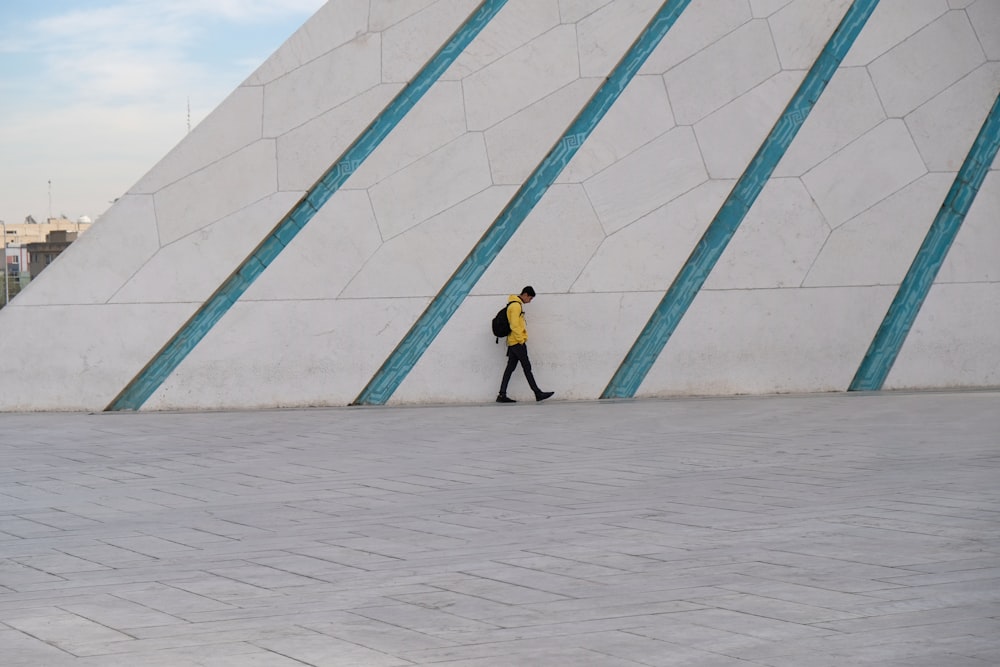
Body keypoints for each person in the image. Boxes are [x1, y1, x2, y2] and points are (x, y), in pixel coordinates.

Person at [497, 286, 555, 403]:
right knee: (527, 367)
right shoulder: (515, 306)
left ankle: (502, 395)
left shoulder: (515, 305)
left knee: (510, 369)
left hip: (513, 342)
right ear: (525, 294)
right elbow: (514, 325)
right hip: (517, 342)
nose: (530, 301)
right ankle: (537, 393)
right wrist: (521, 340)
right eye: (530, 298)